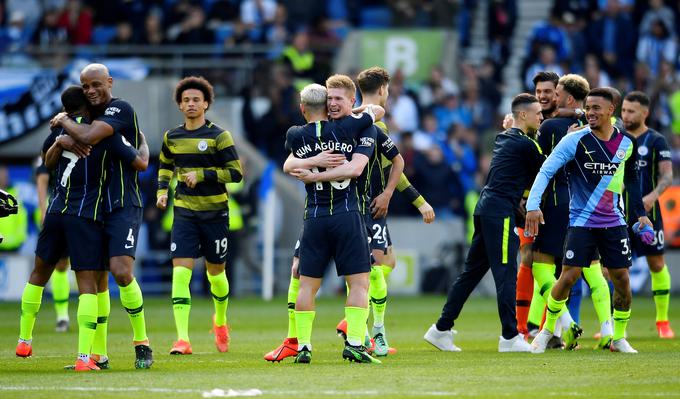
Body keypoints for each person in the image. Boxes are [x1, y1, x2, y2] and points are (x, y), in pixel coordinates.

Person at [19, 86, 146, 371]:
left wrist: (60, 139)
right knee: (91, 284)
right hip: (85, 216)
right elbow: (140, 162)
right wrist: (143, 143)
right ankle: (85, 357)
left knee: (40, 273)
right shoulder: (102, 135)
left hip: (55, 212)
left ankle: (24, 339)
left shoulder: (57, 135)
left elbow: (46, 165)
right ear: (87, 107)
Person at [526, 88, 653, 354]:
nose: (590, 112)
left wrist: (641, 214)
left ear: (611, 110)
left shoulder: (627, 144)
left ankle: (618, 338)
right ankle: (546, 331)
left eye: (596, 108)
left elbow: (631, 181)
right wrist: (533, 206)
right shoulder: (575, 140)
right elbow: (546, 170)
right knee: (568, 276)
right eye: (588, 107)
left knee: (622, 281)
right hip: (581, 222)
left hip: (614, 223)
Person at [50, 63, 153, 369]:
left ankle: (142, 342)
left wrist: (65, 122)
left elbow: (97, 139)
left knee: (121, 271)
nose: (92, 91)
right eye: (86, 87)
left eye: (97, 84)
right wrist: (63, 136)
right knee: (95, 279)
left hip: (122, 204)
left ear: (109, 82)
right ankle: (98, 353)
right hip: (92, 208)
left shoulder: (118, 110)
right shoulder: (86, 118)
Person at [424, 93, 545, 352]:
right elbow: (548, 169)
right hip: (499, 211)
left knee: (471, 274)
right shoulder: (525, 144)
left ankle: (440, 329)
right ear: (523, 115)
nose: (542, 117)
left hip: (486, 208)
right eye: (538, 114)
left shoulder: (505, 137)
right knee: (505, 274)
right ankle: (510, 337)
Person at [283, 79, 382, 364]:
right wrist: (358, 110)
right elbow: (375, 111)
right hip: (346, 214)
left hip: (313, 216)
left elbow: (289, 164)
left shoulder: (295, 134)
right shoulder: (348, 127)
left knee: (305, 286)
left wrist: (312, 166)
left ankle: (303, 346)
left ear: (302, 108)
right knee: (360, 283)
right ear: (328, 106)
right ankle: (354, 344)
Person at [156, 76, 242, 355]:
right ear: (180, 105)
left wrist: (203, 174)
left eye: (196, 99)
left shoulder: (219, 136)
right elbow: (165, 166)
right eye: (186, 100)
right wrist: (161, 191)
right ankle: (182, 339)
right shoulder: (172, 137)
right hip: (184, 213)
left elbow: (236, 173)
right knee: (180, 273)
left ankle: (220, 321)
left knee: (216, 274)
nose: (191, 104)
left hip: (215, 214)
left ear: (206, 104)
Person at [531, 74, 615, 350]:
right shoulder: (599, 130)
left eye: (555, 93)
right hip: (589, 206)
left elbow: (539, 165)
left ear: (567, 97)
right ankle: (607, 332)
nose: (551, 98)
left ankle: (562, 324)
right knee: (590, 269)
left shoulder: (551, 125)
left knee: (541, 265)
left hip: (556, 202)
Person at [621, 91, 674, 339]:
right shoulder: (615, 138)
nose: (625, 115)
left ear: (645, 113)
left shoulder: (656, 140)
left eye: (631, 111)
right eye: (623, 110)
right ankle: (613, 324)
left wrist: (652, 196)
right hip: (618, 213)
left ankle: (662, 321)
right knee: (616, 268)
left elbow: (667, 175)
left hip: (649, 213)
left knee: (656, 263)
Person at [35, 157, 72, 332]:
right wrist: (43, 210)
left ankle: (95, 315)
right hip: (61, 211)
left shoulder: (89, 140)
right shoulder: (53, 145)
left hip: (87, 208)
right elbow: (42, 178)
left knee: (95, 267)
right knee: (60, 264)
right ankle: (62, 316)